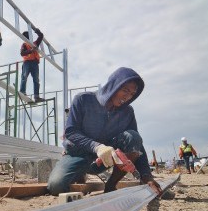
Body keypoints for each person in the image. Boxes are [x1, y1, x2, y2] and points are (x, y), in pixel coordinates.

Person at [47, 67, 162, 196]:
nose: (128, 96)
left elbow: (137, 144)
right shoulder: (83, 100)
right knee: (56, 186)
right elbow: (71, 131)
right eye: (125, 90)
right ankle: (79, 173)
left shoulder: (128, 112)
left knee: (133, 136)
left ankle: (111, 185)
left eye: (132, 94)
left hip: (105, 160)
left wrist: (147, 177)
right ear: (113, 85)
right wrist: (97, 147)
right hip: (77, 155)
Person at [19, 28, 44, 102]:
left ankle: (36, 96)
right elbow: (22, 53)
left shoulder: (34, 43)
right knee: (24, 77)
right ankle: (22, 92)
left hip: (34, 63)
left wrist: (38, 32)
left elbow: (41, 36)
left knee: (36, 80)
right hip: (27, 62)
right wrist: (31, 50)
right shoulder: (24, 44)